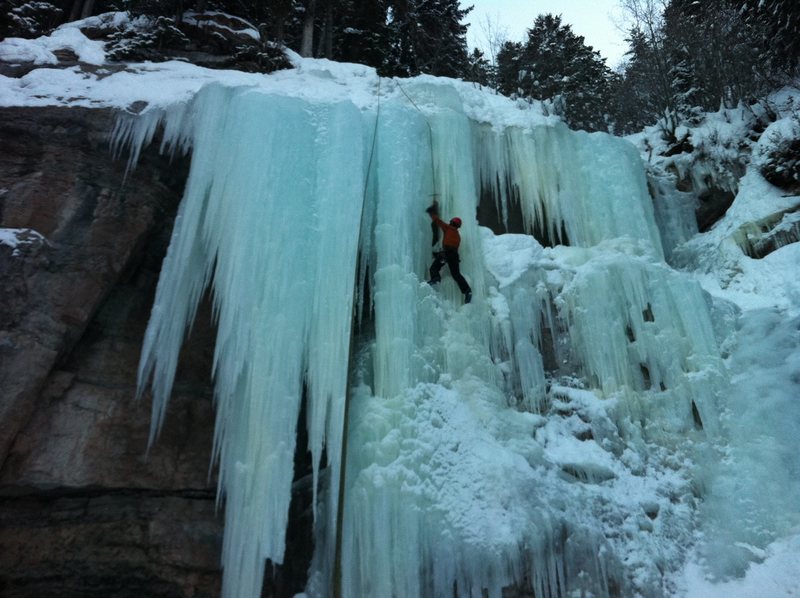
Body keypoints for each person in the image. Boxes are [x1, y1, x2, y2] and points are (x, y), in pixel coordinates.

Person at [425, 201, 472, 304]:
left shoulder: (448, 228)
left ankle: (436, 278)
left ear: (452, 223)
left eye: (451, 222)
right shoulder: (458, 236)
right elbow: (454, 248)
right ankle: (467, 291)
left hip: (446, 253)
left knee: (434, 267)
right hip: (454, 255)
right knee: (456, 274)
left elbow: (438, 221)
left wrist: (431, 212)